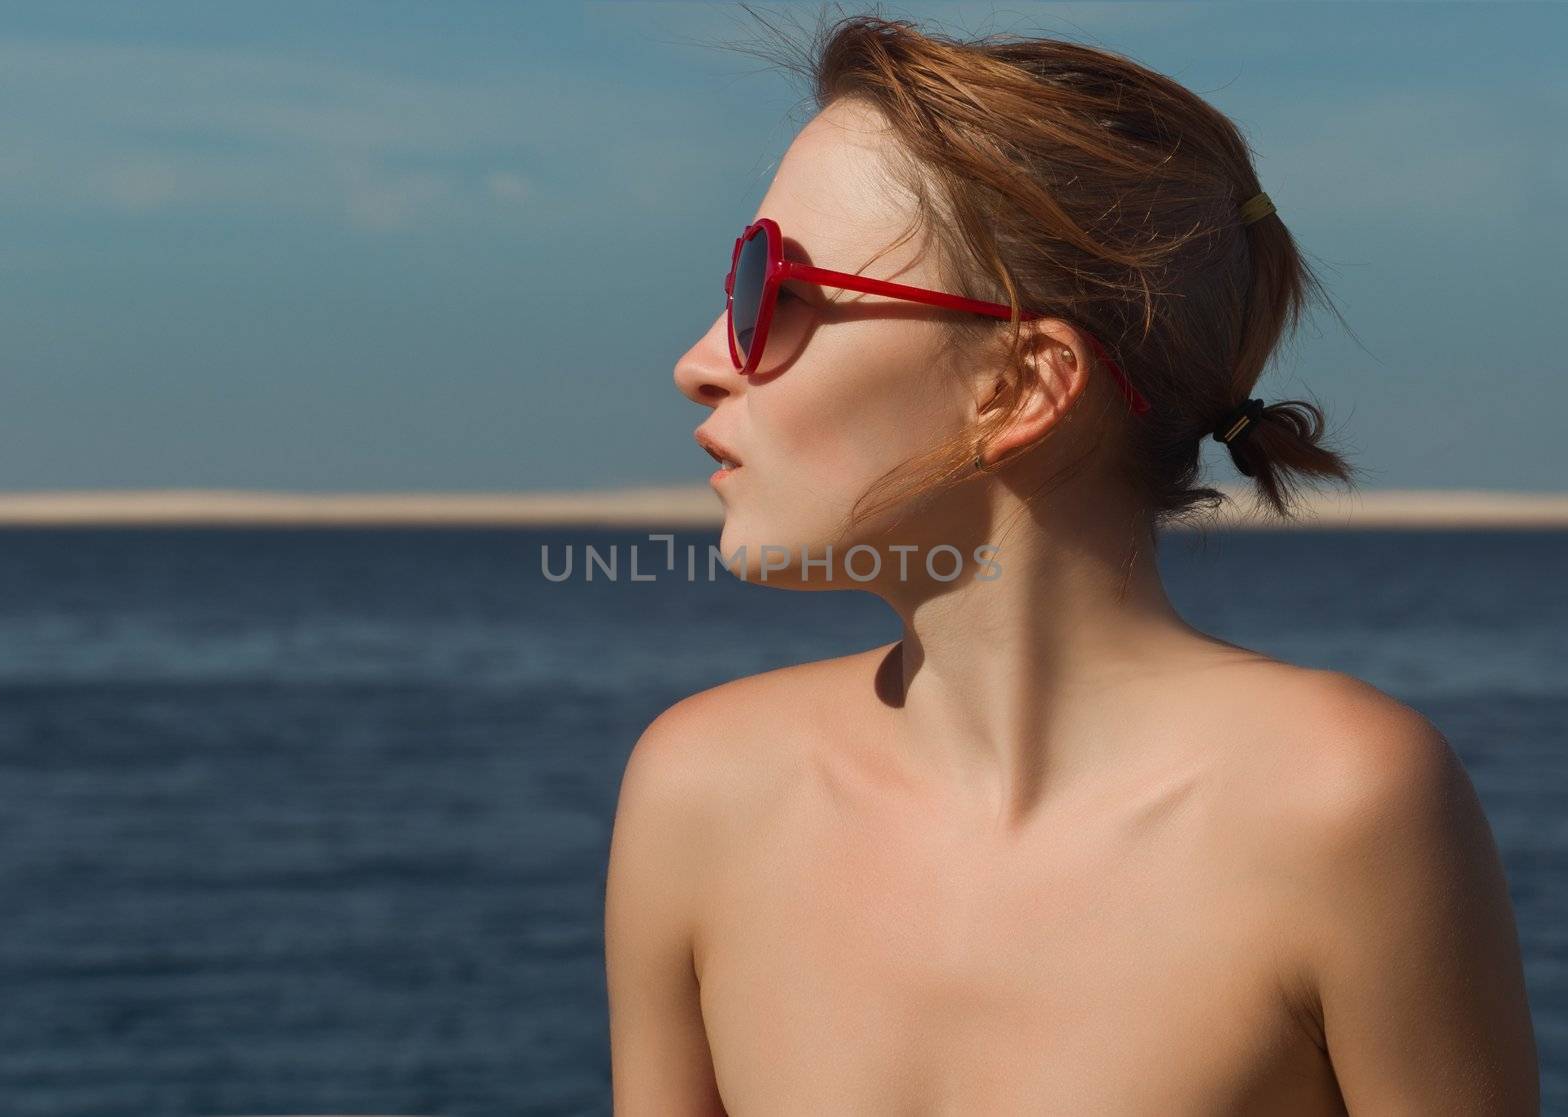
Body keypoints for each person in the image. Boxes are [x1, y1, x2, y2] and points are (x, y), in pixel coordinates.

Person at [605, 13, 1539, 1115]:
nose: (700, 364)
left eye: (777, 292)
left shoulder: (1337, 806)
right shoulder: (700, 792)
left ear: (1021, 385)